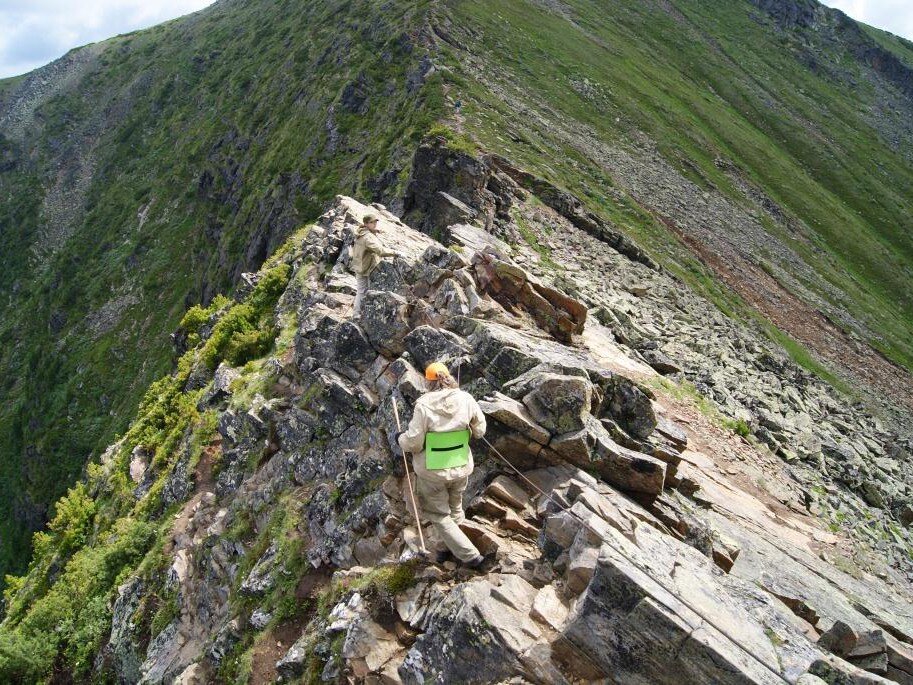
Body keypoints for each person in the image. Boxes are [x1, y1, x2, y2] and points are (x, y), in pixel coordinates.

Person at [398, 362, 487, 567]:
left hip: (432, 473)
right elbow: (480, 431)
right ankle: (444, 549)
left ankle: (470, 556)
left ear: (428, 382)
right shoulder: (466, 398)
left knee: (438, 514)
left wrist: (400, 439)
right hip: (461, 466)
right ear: (448, 378)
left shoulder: (423, 406)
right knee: (455, 509)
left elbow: (414, 442)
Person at [350, 213, 394, 317]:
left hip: (359, 266)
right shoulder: (367, 237)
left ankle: (356, 314)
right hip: (367, 267)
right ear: (366, 224)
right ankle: (362, 315)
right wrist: (395, 253)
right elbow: (380, 251)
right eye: (372, 222)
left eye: (375, 222)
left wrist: (374, 231)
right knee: (369, 291)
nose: (374, 224)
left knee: (361, 291)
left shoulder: (360, 232)